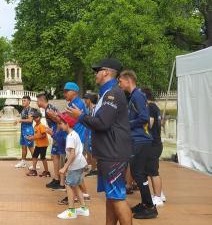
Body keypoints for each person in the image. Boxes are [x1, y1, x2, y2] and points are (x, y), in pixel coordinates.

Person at [67, 58, 133, 225]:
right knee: (111, 197)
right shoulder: (107, 93)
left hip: (113, 153)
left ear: (106, 72)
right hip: (109, 152)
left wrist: (80, 116)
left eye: (97, 71)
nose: (95, 75)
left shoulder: (112, 93)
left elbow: (103, 123)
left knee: (117, 197)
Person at [118, 70, 158, 219]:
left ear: (128, 80)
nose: (119, 84)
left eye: (121, 81)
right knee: (137, 173)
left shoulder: (138, 96)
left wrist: (127, 124)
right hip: (137, 139)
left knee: (139, 173)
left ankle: (149, 207)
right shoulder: (133, 97)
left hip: (141, 140)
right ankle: (145, 203)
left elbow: (143, 117)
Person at [56, 113, 90, 219]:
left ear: (67, 124)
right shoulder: (74, 134)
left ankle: (71, 211)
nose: (59, 125)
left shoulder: (70, 137)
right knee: (75, 185)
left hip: (75, 165)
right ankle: (84, 209)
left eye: (61, 123)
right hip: (80, 164)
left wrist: (65, 167)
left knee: (69, 185)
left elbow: (72, 154)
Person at [141, 88, 166, 206]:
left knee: (153, 171)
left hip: (152, 144)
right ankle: (159, 194)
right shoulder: (155, 107)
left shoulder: (149, 107)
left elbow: (149, 123)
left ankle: (158, 197)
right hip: (156, 143)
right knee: (152, 170)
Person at [26, 111, 50, 177]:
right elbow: (36, 135)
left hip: (43, 145)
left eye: (35, 117)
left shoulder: (41, 126)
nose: (34, 119)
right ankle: (34, 170)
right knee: (34, 156)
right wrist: (31, 137)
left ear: (39, 118)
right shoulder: (35, 126)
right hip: (38, 145)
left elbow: (44, 135)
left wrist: (33, 137)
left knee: (43, 158)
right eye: (33, 117)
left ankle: (47, 171)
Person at [14, 96, 36, 168]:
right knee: (23, 146)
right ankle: (23, 162)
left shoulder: (30, 110)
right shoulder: (23, 110)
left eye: (25, 100)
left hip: (28, 130)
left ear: (29, 101)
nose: (23, 102)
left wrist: (20, 120)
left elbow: (30, 120)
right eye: (22, 100)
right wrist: (18, 121)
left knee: (31, 147)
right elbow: (24, 119)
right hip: (23, 130)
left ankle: (36, 164)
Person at [83, 93, 99, 177]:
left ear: (89, 100)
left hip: (92, 133)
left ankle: (94, 169)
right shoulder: (89, 109)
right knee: (89, 151)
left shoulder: (94, 109)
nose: (85, 101)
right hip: (88, 132)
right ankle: (93, 168)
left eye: (86, 99)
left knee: (92, 151)